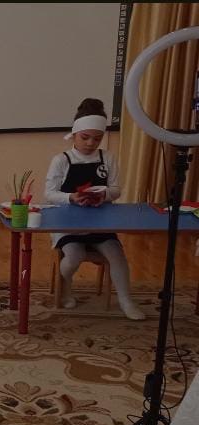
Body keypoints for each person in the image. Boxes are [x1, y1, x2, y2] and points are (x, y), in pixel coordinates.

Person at [44, 98, 145, 320]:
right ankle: (66, 285)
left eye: (97, 138)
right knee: (74, 256)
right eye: (85, 137)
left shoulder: (107, 158)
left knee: (117, 255)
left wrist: (104, 195)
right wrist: (71, 197)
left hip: (100, 222)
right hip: (67, 224)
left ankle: (126, 301)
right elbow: (49, 193)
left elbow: (116, 190)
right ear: (74, 134)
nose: (91, 143)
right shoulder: (61, 160)